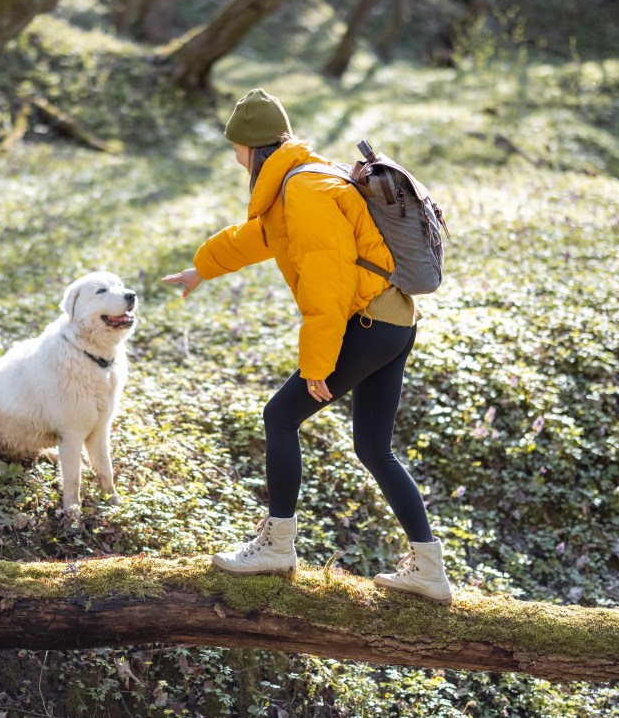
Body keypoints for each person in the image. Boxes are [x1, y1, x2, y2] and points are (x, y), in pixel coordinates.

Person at [162, 88, 452, 604]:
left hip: (367, 322)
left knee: (280, 416)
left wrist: (317, 362)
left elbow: (327, 280)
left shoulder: (305, 192)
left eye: (236, 148)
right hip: (395, 320)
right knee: (373, 448)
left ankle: (277, 546)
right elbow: (257, 237)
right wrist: (200, 269)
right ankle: (429, 570)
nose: (233, 158)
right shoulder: (302, 181)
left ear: (255, 149)